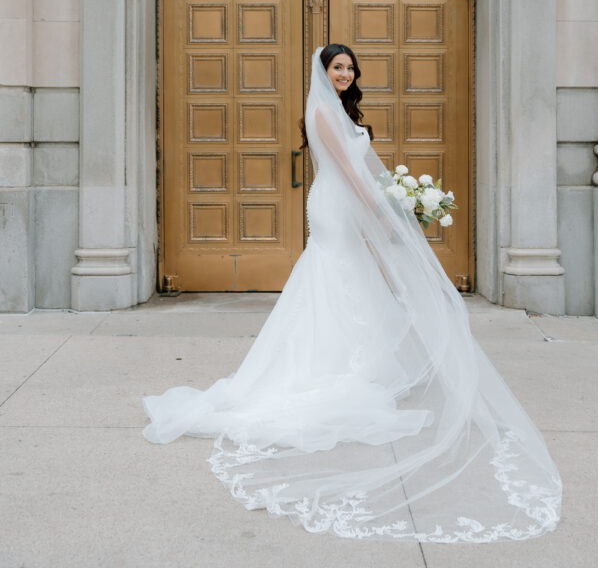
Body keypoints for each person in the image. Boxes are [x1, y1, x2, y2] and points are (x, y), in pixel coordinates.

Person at [143, 45, 562, 543]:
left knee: (351, 279)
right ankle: (328, 368)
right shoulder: (321, 111)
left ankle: (349, 360)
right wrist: (384, 213)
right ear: (323, 73)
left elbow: (364, 169)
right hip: (337, 206)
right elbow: (345, 168)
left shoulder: (341, 110)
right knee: (334, 273)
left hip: (348, 203)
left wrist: (394, 198)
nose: (345, 74)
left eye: (349, 68)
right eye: (337, 67)